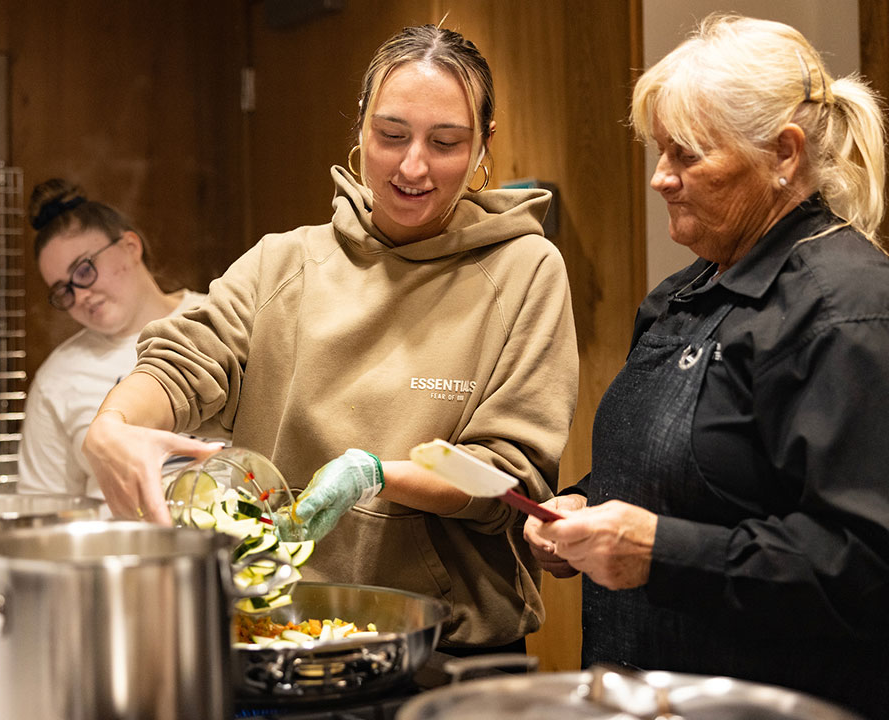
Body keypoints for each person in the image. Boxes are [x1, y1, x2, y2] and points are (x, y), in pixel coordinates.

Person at [82, 24, 579, 652]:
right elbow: (182, 364)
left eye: (446, 142)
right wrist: (115, 424)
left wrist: (376, 475)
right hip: (282, 633)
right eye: (391, 135)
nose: (412, 166)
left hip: (442, 646)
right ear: (361, 130)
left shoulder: (524, 271)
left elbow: (504, 481)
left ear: (484, 146)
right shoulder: (284, 263)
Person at [524, 15, 889, 716]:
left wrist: (659, 552)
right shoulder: (679, 297)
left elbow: (861, 566)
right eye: (659, 152)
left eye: (687, 154)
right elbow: (696, 477)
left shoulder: (847, 307)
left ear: (783, 154)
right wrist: (581, 508)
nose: (661, 179)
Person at [17, 178, 206, 502]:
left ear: (130, 247)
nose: (80, 295)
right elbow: (42, 505)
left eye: (84, 270)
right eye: (63, 289)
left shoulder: (217, 322)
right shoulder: (59, 376)